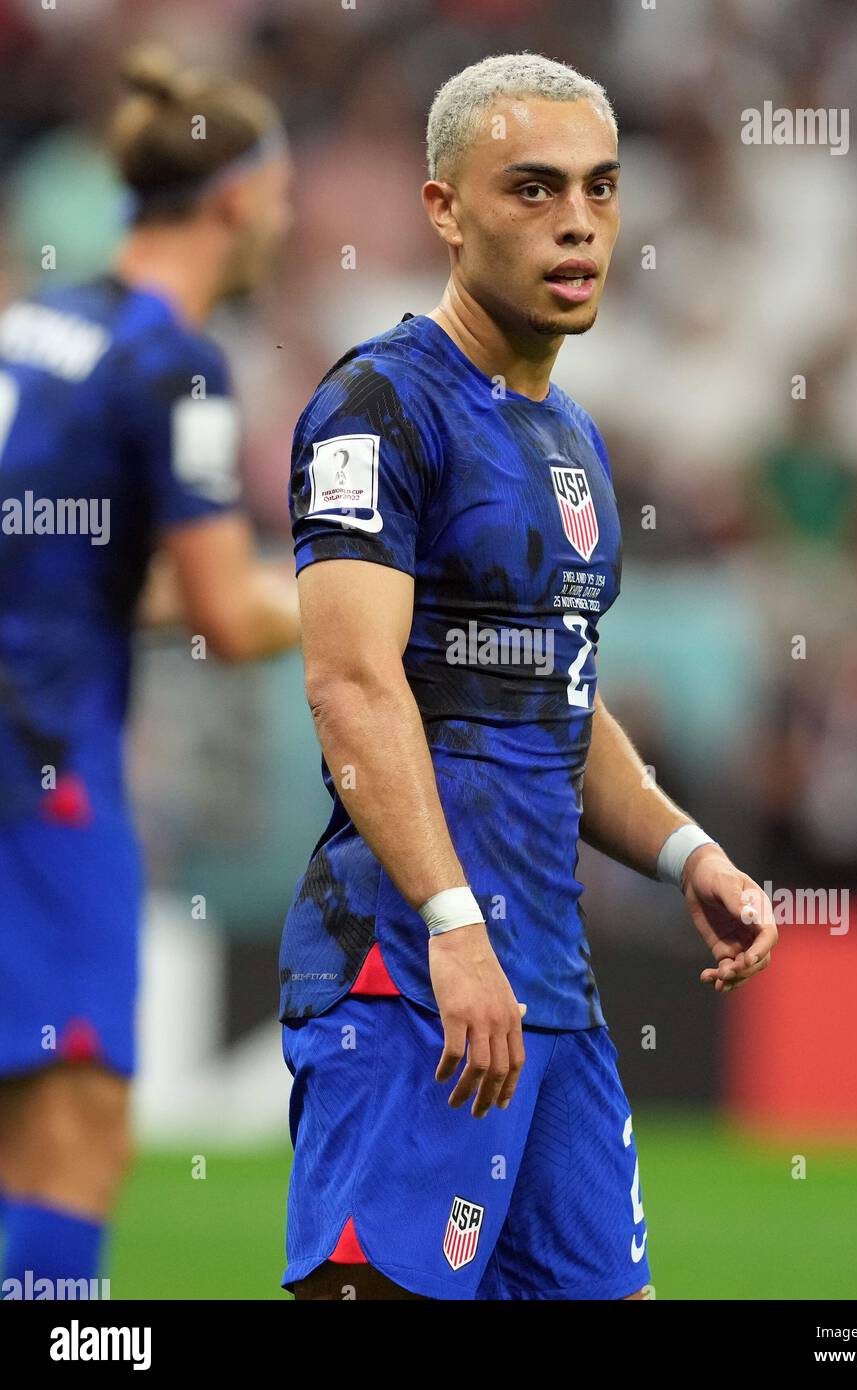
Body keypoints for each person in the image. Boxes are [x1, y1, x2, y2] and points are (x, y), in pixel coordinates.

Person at [280, 53, 777, 1302]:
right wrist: (451, 928)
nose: (578, 222)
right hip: (408, 974)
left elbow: (559, 692)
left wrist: (684, 853)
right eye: (534, 189)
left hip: (550, 982)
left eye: (602, 191)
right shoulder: (378, 406)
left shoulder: (574, 438)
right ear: (444, 207)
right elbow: (350, 684)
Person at [0, 48, 300, 1296]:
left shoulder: (39, 326)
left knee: (29, 1115)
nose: (290, 218)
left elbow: (100, 557)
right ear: (237, 200)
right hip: (43, 765)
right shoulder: (175, 361)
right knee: (79, 1122)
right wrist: (366, 600)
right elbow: (227, 617)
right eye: (282, 191)